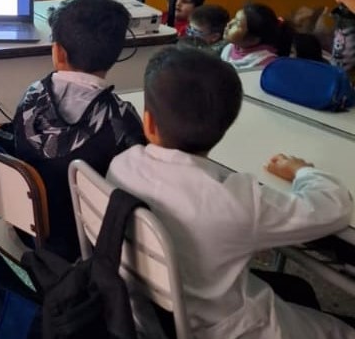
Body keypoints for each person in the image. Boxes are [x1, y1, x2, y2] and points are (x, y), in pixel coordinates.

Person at [108, 47, 355, 338]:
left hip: (144, 317)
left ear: (148, 123)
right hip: (229, 329)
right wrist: (303, 171)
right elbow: (334, 206)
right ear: (225, 127)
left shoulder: (121, 166)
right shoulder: (236, 201)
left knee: (297, 291)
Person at [13, 0, 145, 261]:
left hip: (27, 226)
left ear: (58, 51)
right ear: (116, 54)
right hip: (91, 243)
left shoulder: (31, 96)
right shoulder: (122, 119)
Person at [221, 2, 321, 70]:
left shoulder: (266, 64)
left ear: (254, 39)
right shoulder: (228, 49)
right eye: (234, 18)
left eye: (237, 24)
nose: (229, 24)